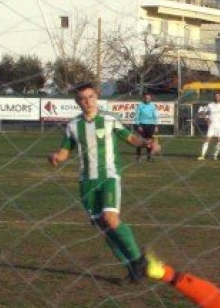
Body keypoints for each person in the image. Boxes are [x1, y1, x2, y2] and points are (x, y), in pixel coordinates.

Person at [47, 83, 158, 282]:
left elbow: (130, 138)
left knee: (111, 219)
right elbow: (64, 151)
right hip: (86, 181)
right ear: (77, 102)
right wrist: (55, 156)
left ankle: (137, 260)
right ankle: (132, 269)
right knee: (104, 228)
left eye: (90, 97)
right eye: (82, 98)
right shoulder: (73, 125)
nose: (87, 101)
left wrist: (147, 143)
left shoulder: (109, 119)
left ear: (96, 98)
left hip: (109, 175)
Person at [197, 92, 220, 161]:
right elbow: (202, 111)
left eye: (218, 96)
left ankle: (215, 155)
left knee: (219, 140)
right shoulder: (210, 105)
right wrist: (206, 118)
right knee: (207, 139)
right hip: (211, 125)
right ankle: (202, 155)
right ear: (214, 97)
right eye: (215, 96)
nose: (217, 97)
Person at [134, 92, 159, 163]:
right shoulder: (140, 106)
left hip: (151, 125)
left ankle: (149, 157)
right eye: (146, 98)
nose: (147, 99)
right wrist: (138, 125)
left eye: (149, 98)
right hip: (142, 125)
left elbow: (156, 116)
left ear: (150, 98)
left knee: (149, 142)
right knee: (139, 142)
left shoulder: (153, 106)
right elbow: (136, 116)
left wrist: (156, 126)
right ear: (144, 98)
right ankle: (138, 157)